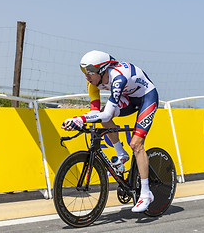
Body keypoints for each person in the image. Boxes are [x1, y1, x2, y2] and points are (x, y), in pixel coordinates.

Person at [62, 50, 159, 213]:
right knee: (102, 115)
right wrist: (78, 119)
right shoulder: (92, 83)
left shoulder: (118, 78)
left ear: (102, 70)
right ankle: (121, 154)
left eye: (90, 73)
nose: (87, 77)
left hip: (147, 97)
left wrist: (81, 119)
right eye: (85, 72)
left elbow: (106, 114)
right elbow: (96, 112)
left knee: (136, 144)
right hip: (128, 97)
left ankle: (146, 193)